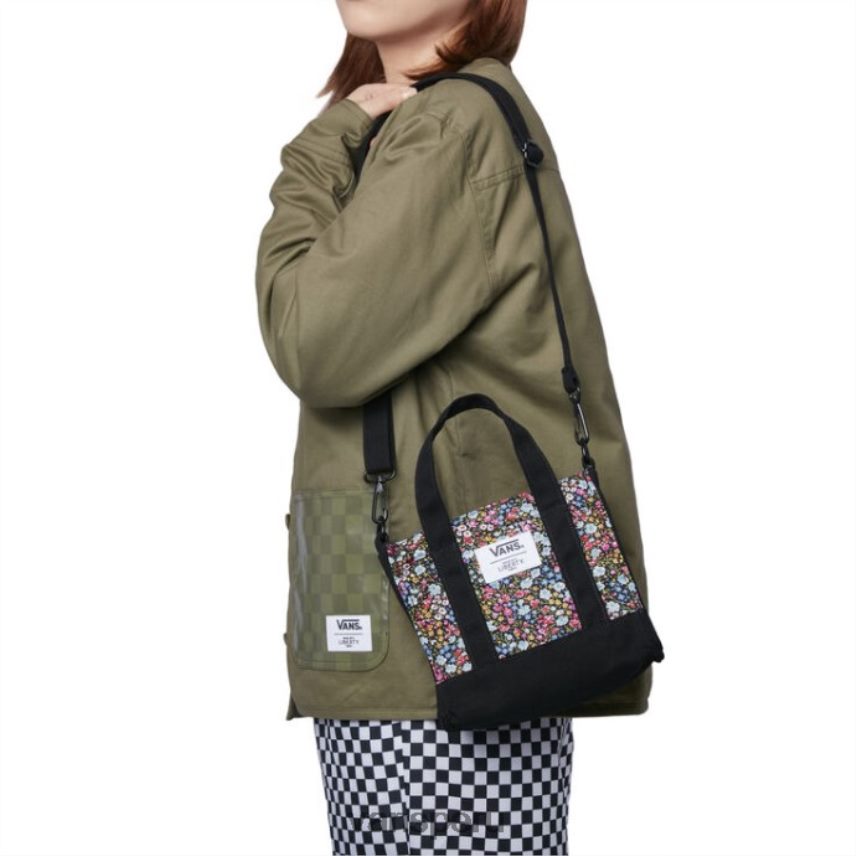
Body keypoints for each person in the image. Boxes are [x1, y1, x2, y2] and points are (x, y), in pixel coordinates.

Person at [254, 1, 655, 853]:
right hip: (429, 634)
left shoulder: (451, 124)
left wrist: (317, 151)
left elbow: (311, 340)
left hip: (430, 657)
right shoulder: (429, 122)